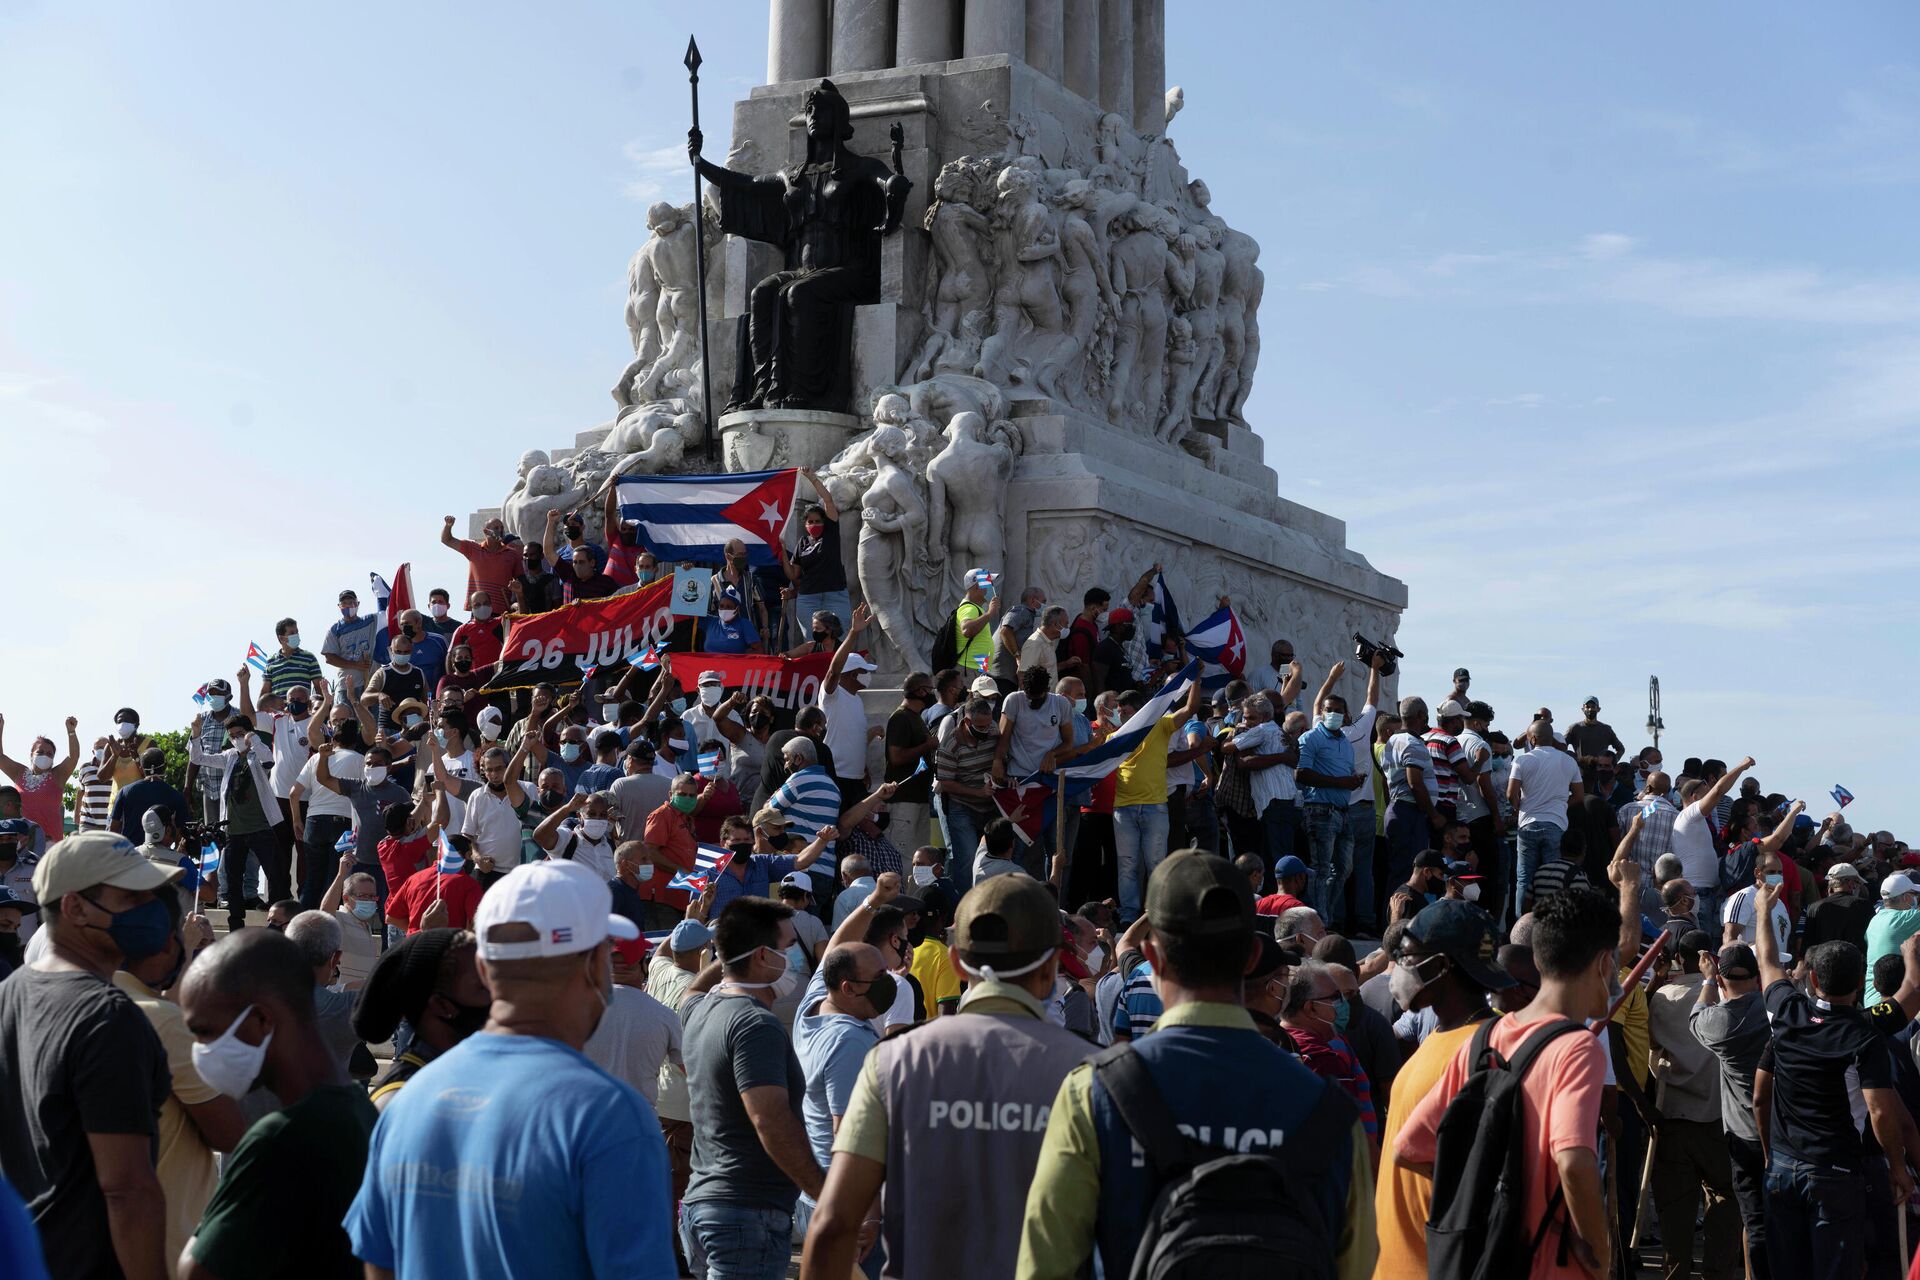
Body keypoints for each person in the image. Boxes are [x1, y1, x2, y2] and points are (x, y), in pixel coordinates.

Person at [1017, 850, 1376, 1279]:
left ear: (1153, 957)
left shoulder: (1094, 1093)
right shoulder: (1331, 1112)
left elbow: (1044, 1266)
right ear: (1249, 958)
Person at [345, 860, 674, 1279]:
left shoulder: (408, 1099)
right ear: (594, 964)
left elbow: (380, 1265)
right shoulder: (611, 1115)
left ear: (484, 968)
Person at [805, 873, 1097, 1280]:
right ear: (1050, 968)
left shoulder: (893, 1062)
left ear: (958, 963)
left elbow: (834, 1226)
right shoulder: (1094, 1073)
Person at [1394, 882, 1618, 1280]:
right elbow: (1574, 1159)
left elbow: (1408, 1149)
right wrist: (1599, 1256)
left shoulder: (1484, 1038)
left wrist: (1490, 1204)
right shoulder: (1578, 1048)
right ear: (1603, 963)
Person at [0, 832, 178, 1279]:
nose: (151, 910)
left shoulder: (9, 993)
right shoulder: (109, 1018)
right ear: (75, 907)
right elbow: (127, 1190)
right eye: (131, 897)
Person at [176, 926, 377, 1280]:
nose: (202, 1051)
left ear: (261, 1020)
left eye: (206, 1031)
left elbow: (197, 1271)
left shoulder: (277, 1138)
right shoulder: (357, 1111)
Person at [1748, 877, 1912, 1280]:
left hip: (1783, 1170)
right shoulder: (1865, 1032)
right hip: (1835, 1176)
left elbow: (1767, 962)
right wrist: (1897, 1167)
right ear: (1861, 984)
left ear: (1813, 981)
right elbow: (1880, 1111)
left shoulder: (1786, 1012)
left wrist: (1763, 911)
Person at [680, 895, 822, 1278]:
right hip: (745, 1214)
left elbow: (691, 992)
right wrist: (825, 1196)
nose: (796, 957)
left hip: (705, 1206)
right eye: (790, 946)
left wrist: (725, 958)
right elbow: (771, 1121)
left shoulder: (699, 1010)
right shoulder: (755, 1025)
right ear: (762, 956)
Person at [1371, 898, 1513, 1279]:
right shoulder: (1439, 1038)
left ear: (1441, 965)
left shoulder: (1485, 1054)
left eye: (1407, 955)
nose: (1400, 967)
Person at [789, 892, 891, 1245]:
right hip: (845, 1205)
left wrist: (873, 901)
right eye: (879, 977)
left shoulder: (815, 1006)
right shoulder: (849, 1042)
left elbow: (839, 944)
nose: (888, 982)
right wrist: (869, 1214)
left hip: (820, 1198)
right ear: (849, 988)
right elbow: (849, 1133)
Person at [1643, 931, 1741, 1280]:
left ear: (1675, 959)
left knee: (1674, 1209)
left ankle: (1677, 1271)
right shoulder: (1722, 999)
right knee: (1724, 1198)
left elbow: (1649, 1040)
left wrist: (1656, 980)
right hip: (1715, 1117)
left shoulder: (1661, 998)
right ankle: (1718, 1270)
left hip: (1673, 1115)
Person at [1689, 942, 1772, 1280]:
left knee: (1753, 1222)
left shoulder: (1717, 1023)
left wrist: (1708, 981)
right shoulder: (1774, 1012)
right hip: (1781, 1133)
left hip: (1742, 1136)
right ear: (1757, 978)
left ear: (1722, 981)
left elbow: (1695, 1016)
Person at [349, 927, 490, 1110]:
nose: (495, 995)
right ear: (441, 1006)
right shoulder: (400, 1100)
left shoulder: (461, 1073)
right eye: (482, 986)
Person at [1109, 679, 1208, 923]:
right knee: (1127, 866)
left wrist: (1195, 679)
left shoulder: (1161, 726)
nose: (1122, 716)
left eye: (1126, 711)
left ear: (1141, 711)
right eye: (1119, 711)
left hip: (1155, 806)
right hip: (1124, 809)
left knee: (1156, 864)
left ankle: (1156, 913)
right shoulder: (1115, 736)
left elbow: (1191, 708)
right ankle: (1129, 916)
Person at [187, 706, 288, 930]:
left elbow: (268, 761)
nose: (236, 739)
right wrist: (195, 734)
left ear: (249, 732)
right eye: (232, 736)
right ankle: (235, 922)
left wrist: (253, 740)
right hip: (234, 830)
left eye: (240, 734)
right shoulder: (229, 756)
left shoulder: (256, 753)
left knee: (276, 875)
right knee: (232, 880)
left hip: (260, 827)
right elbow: (199, 757)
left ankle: (280, 920)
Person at [585, 934, 683, 1104]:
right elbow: (694, 1073)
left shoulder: (575, 1012)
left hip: (590, 1123)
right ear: (643, 965)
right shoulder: (664, 1016)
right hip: (641, 1124)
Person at [1505, 720, 1584, 918]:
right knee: (1553, 878)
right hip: (1556, 825)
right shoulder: (1568, 761)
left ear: (1532, 739)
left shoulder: (1522, 761)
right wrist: (1561, 805)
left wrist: (1519, 808)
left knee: (1524, 879)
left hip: (1527, 825)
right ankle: (1552, 922)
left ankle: (1520, 926)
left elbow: (1510, 794)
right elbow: (1579, 796)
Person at [1670, 757, 1754, 927]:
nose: (1711, 794)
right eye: (1706, 791)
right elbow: (1719, 791)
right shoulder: (1690, 814)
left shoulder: (1697, 820)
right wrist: (1741, 766)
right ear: (1694, 797)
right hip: (1697, 893)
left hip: (1706, 893)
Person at [779, 491, 853, 637]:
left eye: (818, 521)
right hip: (808, 598)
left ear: (825, 522)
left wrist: (812, 478)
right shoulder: (802, 543)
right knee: (813, 642)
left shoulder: (830, 533)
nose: (814, 524)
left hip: (835, 594)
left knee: (839, 639)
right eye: (810, 522)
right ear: (805, 525)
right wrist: (782, 551)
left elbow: (828, 500)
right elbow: (793, 574)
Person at [0, 714, 78, 840]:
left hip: (50, 842)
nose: (44, 756)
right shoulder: (19, 772)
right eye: (40, 752)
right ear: (32, 754)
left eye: (49, 754)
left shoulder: (58, 775)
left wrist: (71, 732)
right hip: (22, 841)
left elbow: (73, 757)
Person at [440, 514, 523, 615]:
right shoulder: (472, 549)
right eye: (496, 528)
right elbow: (447, 540)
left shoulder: (513, 554)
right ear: (486, 531)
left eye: (502, 528)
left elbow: (521, 581)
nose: (500, 531)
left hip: (501, 613)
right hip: (477, 609)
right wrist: (448, 526)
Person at [107, 746, 191, 846]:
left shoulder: (125, 791)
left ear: (140, 769)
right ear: (165, 767)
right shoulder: (176, 796)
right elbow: (180, 838)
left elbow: (113, 830)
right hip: (161, 858)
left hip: (131, 856)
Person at [1864, 871, 1920, 1004]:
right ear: (1906, 897)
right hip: (1893, 1002)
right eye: (1914, 894)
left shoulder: (1875, 919)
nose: (1915, 898)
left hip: (1871, 999)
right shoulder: (1904, 918)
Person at [1801, 860, 1874, 952]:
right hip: (1854, 962)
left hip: (1821, 961)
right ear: (1851, 884)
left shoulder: (1814, 907)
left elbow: (1807, 943)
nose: (1858, 887)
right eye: (1858, 882)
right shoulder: (1864, 906)